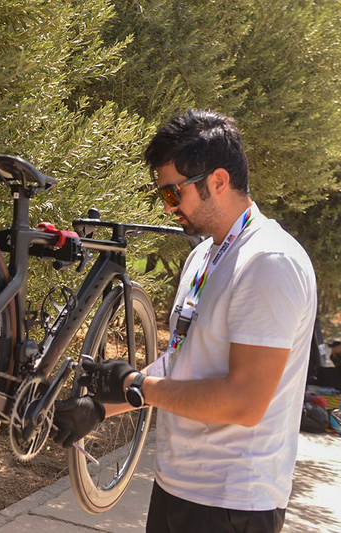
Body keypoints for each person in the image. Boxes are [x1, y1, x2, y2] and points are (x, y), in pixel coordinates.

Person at [53, 109, 317, 533]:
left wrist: (134, 384)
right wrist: (104, 407)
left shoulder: (269, 262)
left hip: (234, 503)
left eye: (174, 194)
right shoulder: (203, 255)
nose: (168, 206)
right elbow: (182, 363)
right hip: (177, 487)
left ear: (217, 181)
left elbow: (245, 403)